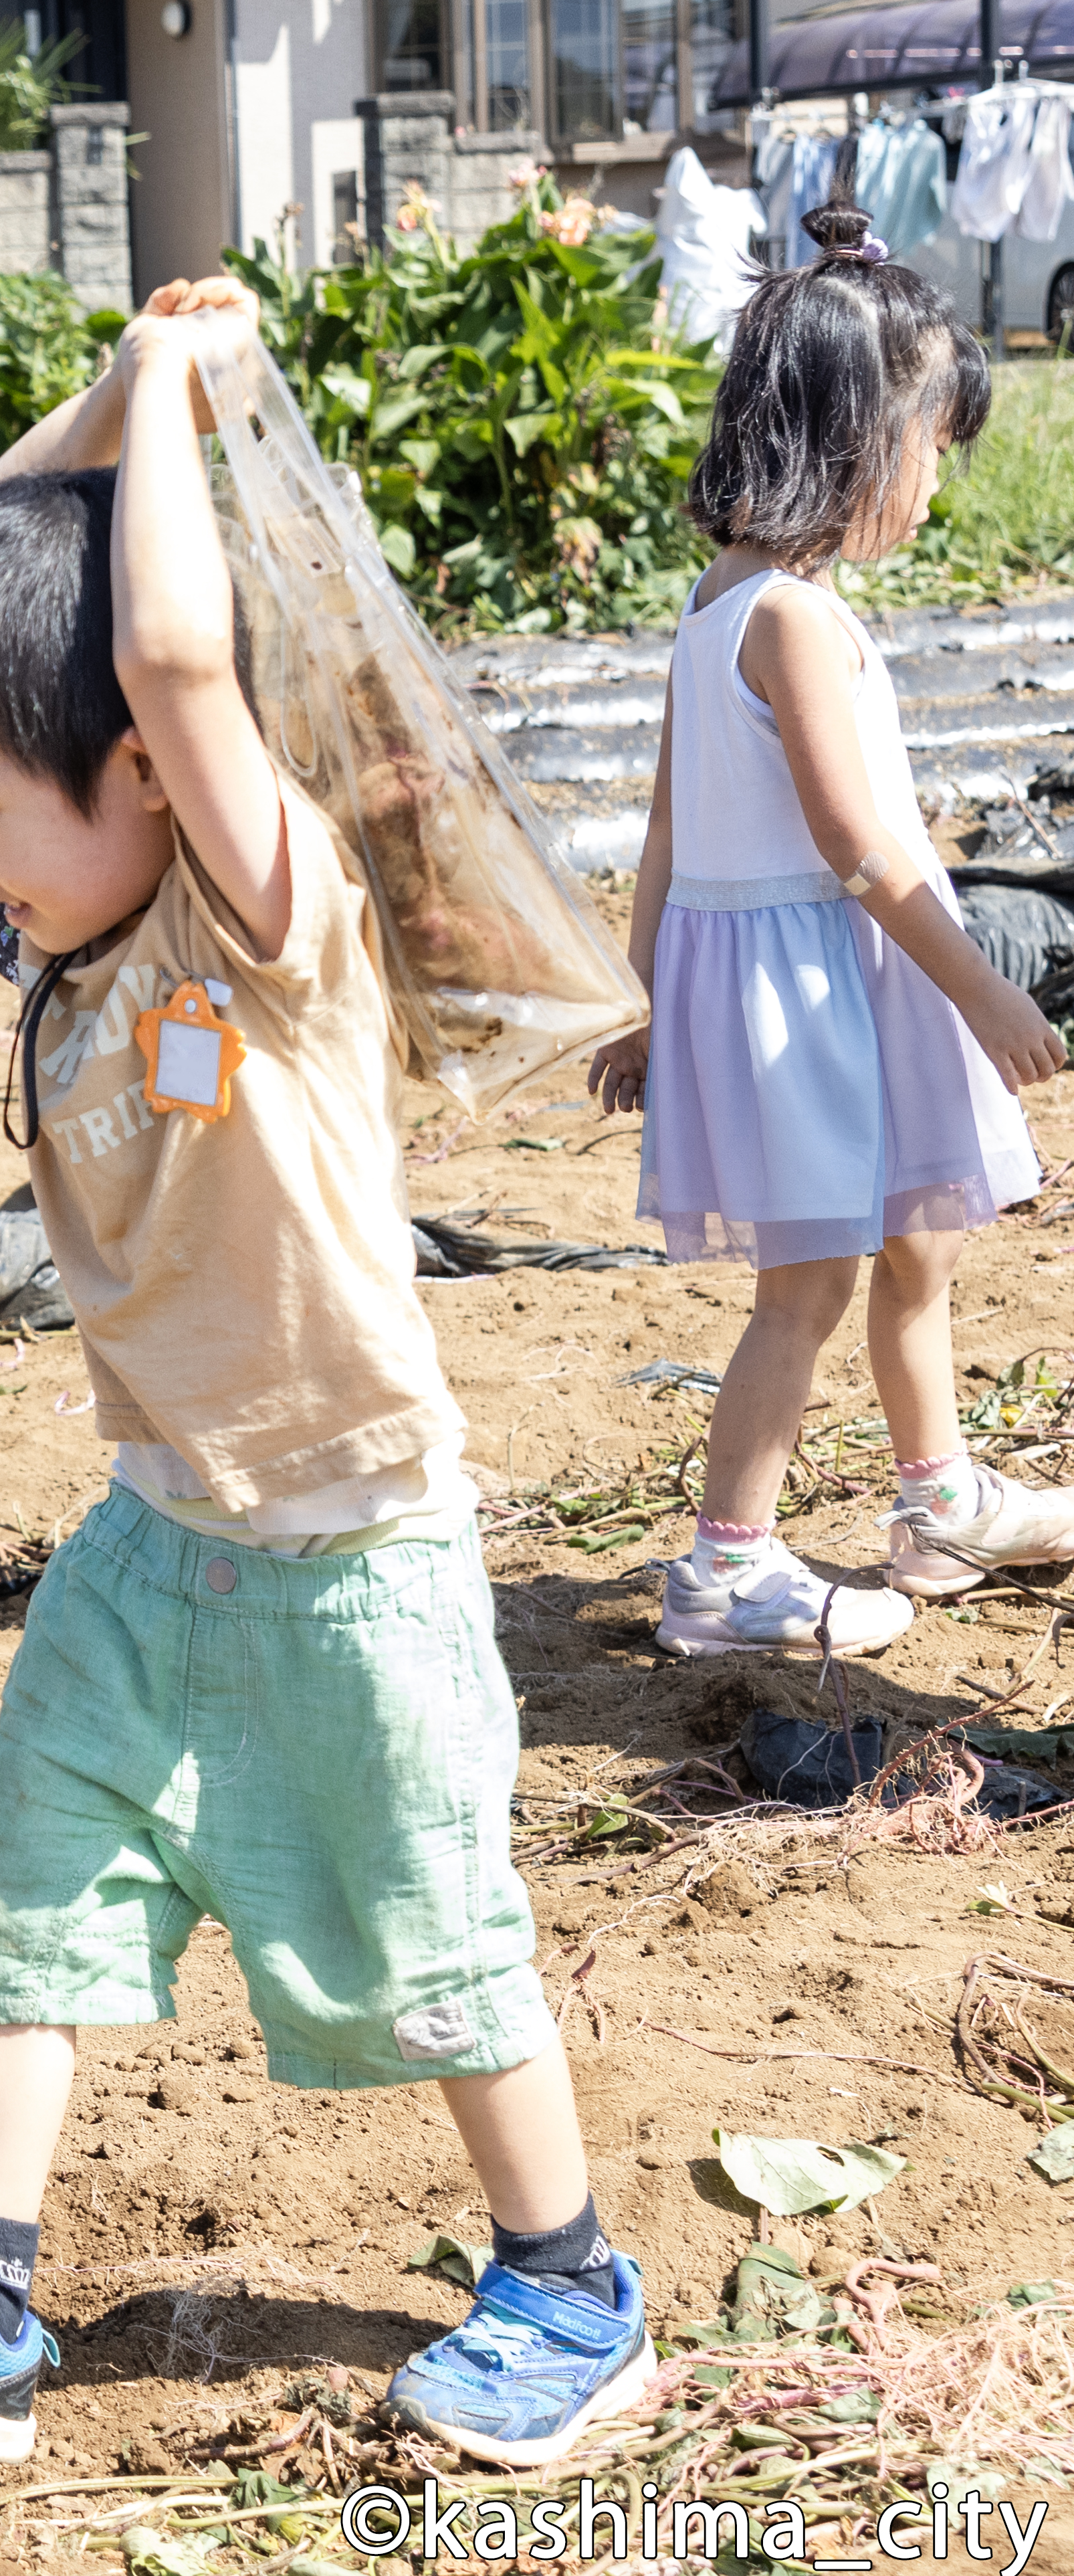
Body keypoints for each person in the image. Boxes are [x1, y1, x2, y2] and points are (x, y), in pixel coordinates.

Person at [0, 276, 651, 2472]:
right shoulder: (53, 915)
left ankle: (568, 2281)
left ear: (151, 777)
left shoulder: (263, 904)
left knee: (429, 1935)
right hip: (158, 1534)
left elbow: (149, 650)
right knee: (25, 1882)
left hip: (353, 1553)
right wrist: (136, 401)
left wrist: (166, 391)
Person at [590, 181, 1074, 1658]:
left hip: (828, 977)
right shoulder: (787, 618)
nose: (934, 477)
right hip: (815, 980)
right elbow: (860, 847)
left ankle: (932, 1498)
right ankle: (721, 1567)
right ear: (846, 435)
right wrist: (984, 996)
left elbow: (666, 829)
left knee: (917, 1241)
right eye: (929, 440)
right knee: (801, 1285)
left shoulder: (721, 597)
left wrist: (643, 993)